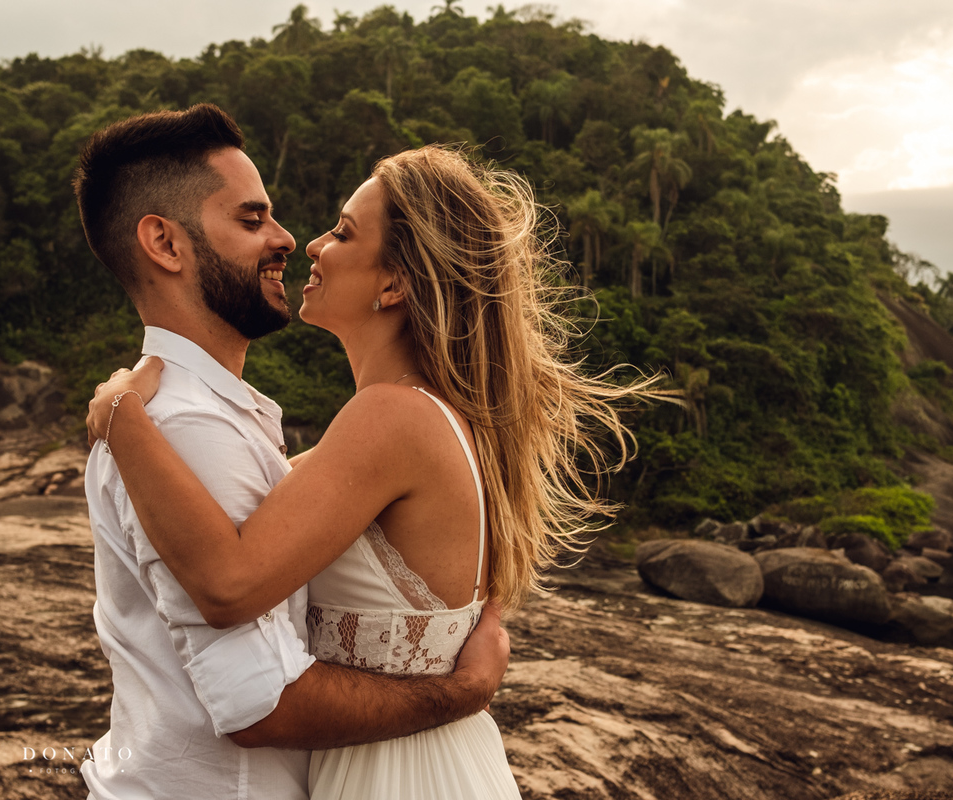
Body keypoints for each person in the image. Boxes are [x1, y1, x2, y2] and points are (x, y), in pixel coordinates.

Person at [84, 128, 654, 794]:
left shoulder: (392, 417)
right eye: (254, 217)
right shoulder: (407, 419)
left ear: (394, 285)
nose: (309, 243)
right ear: (164, 242)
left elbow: (229, 584)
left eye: (344, 233)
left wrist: (122, 418)